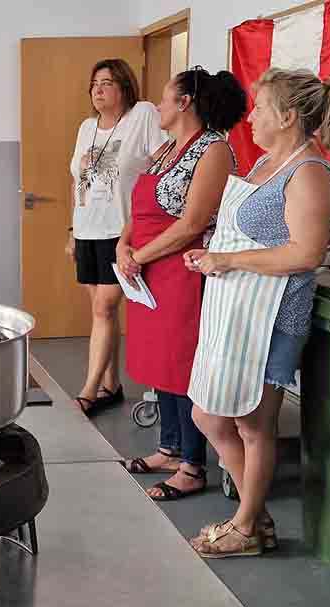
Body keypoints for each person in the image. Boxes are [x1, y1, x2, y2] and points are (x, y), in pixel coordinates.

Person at [186, 68, 330, 557]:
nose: (250, 117)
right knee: (208, 414)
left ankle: (245, 527)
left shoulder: (309, 173)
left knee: (253, 424)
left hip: (272, 317)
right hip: (235, 309)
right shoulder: (264, 163)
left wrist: (229, 260)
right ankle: (256, 518)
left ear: (288, 116)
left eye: (260, 109)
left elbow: (305, 253)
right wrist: (214, 253)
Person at [116, 67, 247, 503]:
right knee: (160, 364)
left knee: (182, 364)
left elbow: (192, 223)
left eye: (164, 97)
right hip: (147, 269)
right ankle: (169, 448)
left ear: (185, 102)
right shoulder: (165, 150)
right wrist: (123, 244)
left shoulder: (213, 150)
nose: (157, 105)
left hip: (182, 271)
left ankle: (192, 465)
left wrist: (140, 256)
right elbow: (138, 208)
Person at [66, 58, 168, 416]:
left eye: (107, 83)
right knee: (101, 311)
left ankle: (89, 391)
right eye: (94, 84)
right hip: (87, 230)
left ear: (124, 87)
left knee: (103, 308)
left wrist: (146, 222)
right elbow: (77, 182)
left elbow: (164, 167)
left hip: (121, 231)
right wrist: (72, 231)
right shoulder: (86, 127)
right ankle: (111, 385)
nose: (98, 90)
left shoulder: (142, 115)